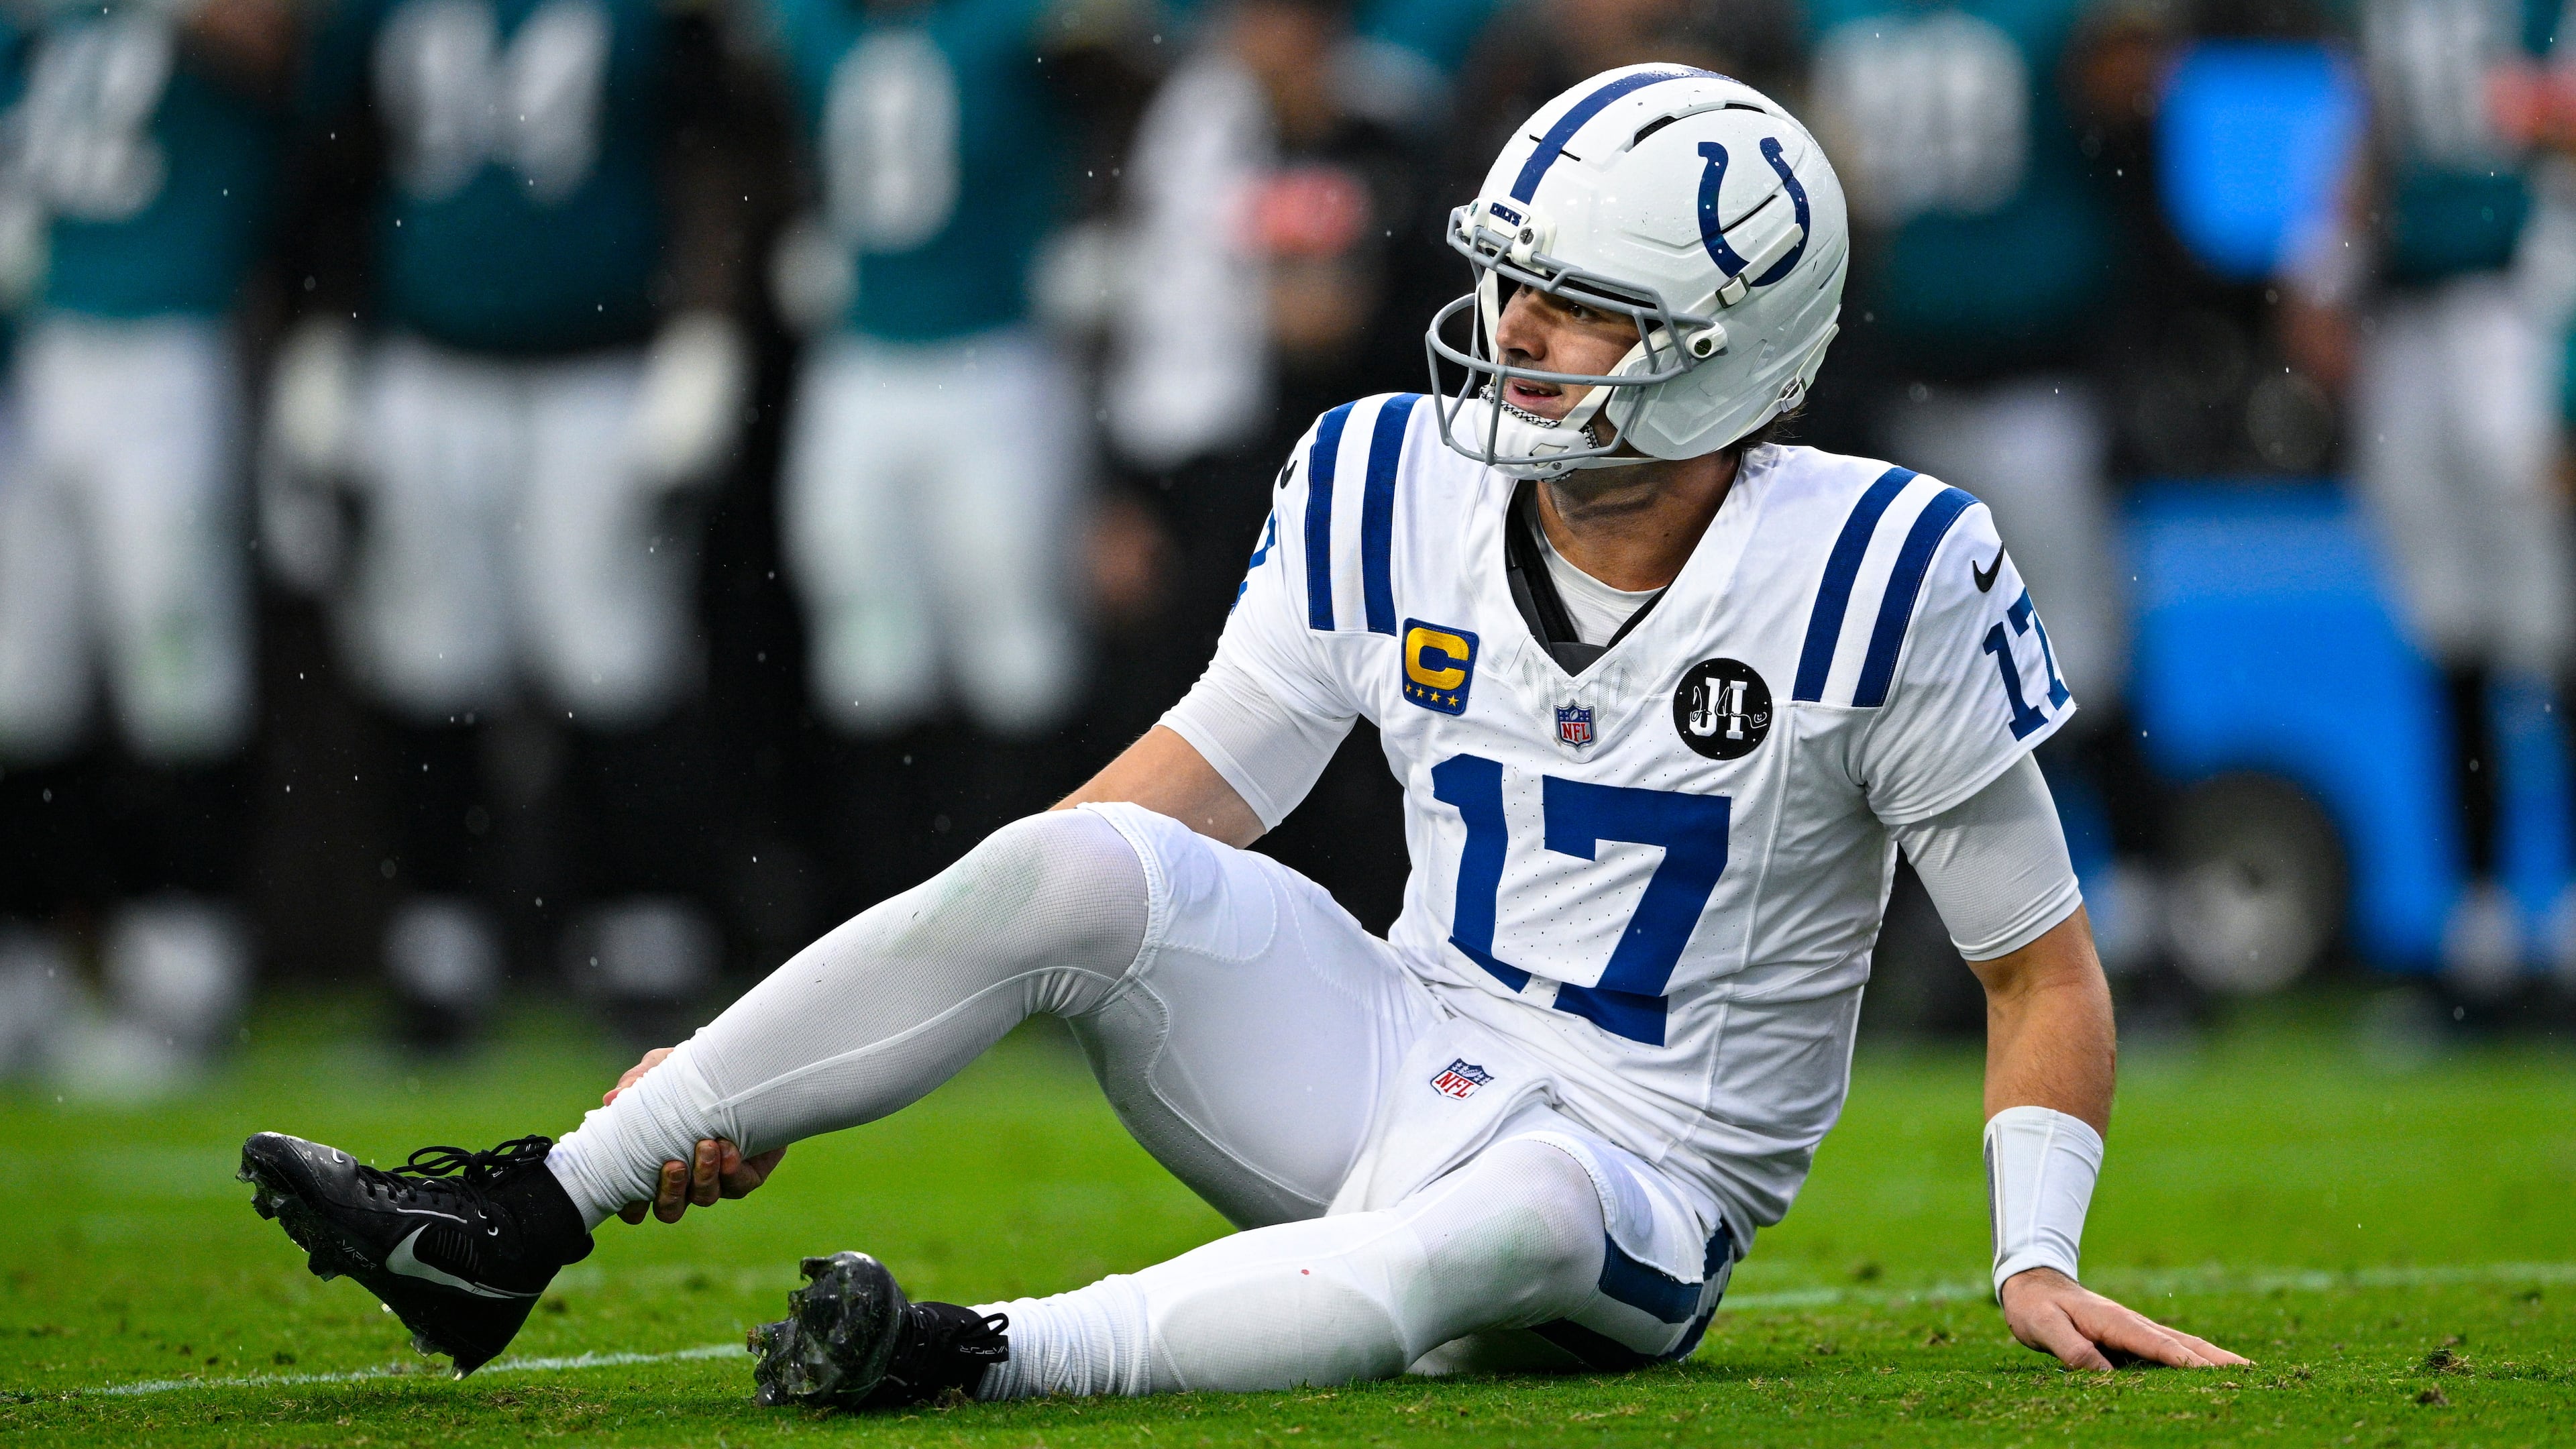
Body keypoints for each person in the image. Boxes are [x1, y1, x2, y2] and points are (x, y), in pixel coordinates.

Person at [239, 66, 2245, 1399]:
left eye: (1573, 306)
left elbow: (2034, 961)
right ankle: (523, 1213)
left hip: (1640, 1183)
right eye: (1507, 284)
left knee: (1522, 1218)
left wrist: (2032, 1256)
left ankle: (978, 1357)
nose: (1511, 333)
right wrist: (751, 1080)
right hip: (1394, 1037)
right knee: (1070, 858)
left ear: (1728, 351)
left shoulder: (1888, 564)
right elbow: (1176, 805)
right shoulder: (1386, 479)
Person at [268, 0, 765, 1046]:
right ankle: (441, 942)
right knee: (427, 660)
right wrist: (319, 335)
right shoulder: (379, 19)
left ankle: (644, 936)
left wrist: (706, 332)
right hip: (428, 360)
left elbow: (718, 152)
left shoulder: (654, 24)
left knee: (616, 658)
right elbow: (333, 166)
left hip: (602, 365)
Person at [0, 0, 295, 1086]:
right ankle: (23, 973)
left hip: (166, 342)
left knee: (176, 669)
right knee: (21, 685)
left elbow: (271, 48)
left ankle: (184, 969)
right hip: (37, 349)